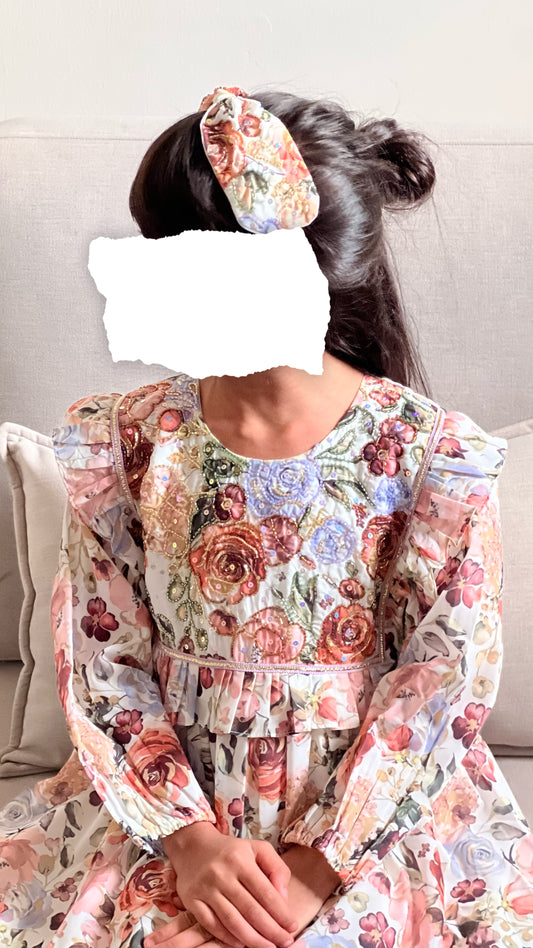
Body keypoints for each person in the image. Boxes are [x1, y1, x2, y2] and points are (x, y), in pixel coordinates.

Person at [0, 86, 532, 948]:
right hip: (170, 812)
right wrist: (191, 846)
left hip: (367, 826)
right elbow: (104, 660)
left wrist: (310, 877)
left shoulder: (427, 456)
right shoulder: (126, 445)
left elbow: (438, 681)